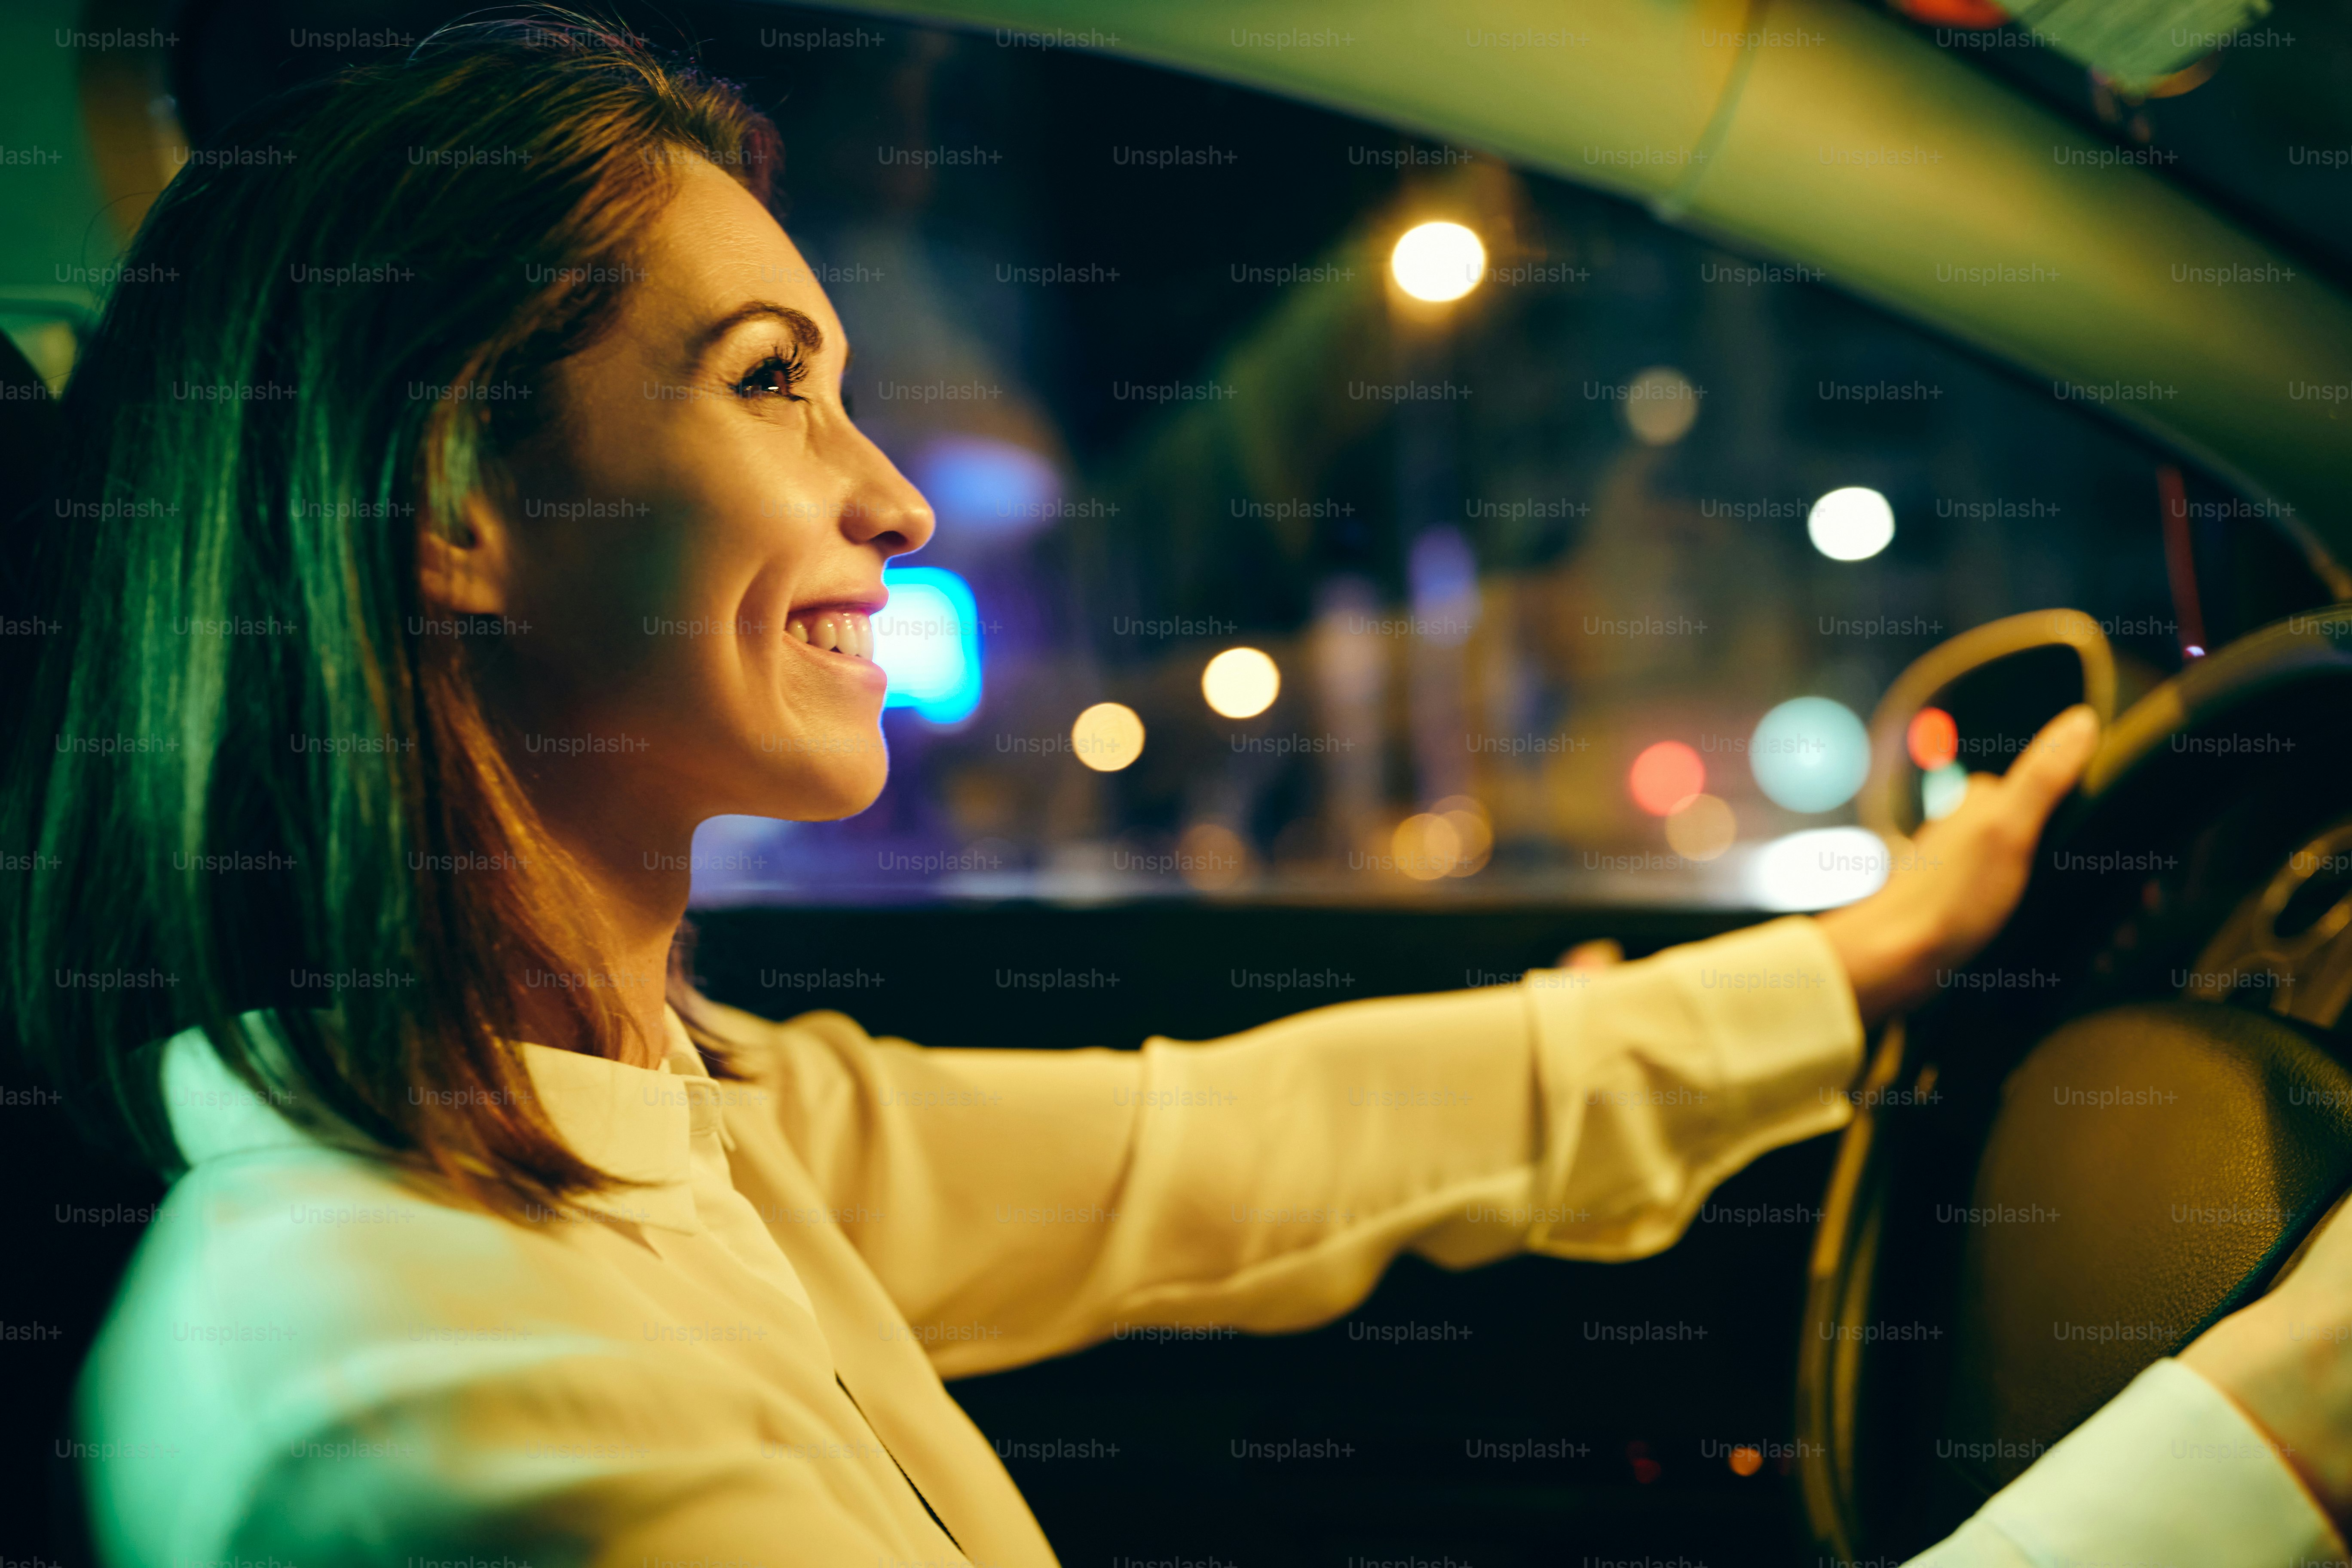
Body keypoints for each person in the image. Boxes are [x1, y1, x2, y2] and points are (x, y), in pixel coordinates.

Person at [2, 15, 2340, 1567]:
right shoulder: (429, 1408)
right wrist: (2278, 1427)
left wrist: (1860, 969)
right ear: (454, 507)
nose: (895, 495)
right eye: (769, 381)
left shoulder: (629, 1125)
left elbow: (1231, 1144)